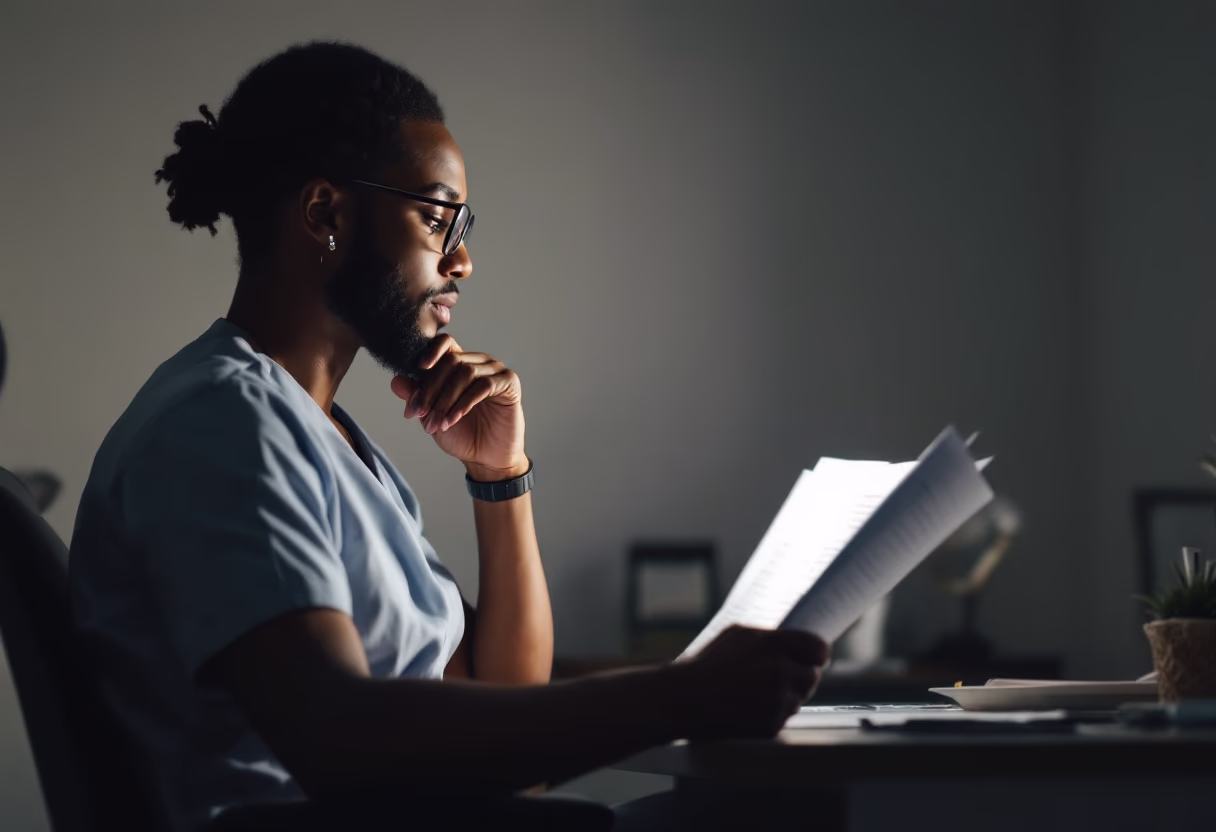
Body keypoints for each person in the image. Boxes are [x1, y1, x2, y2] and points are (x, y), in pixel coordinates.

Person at [68, 42, 829, 832]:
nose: (461, 260)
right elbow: (341, 739)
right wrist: (684, 692)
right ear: (327, 213)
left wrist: (502, 478)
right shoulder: (222, 423)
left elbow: (508, 721)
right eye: (437, 219)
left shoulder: (328, 440)